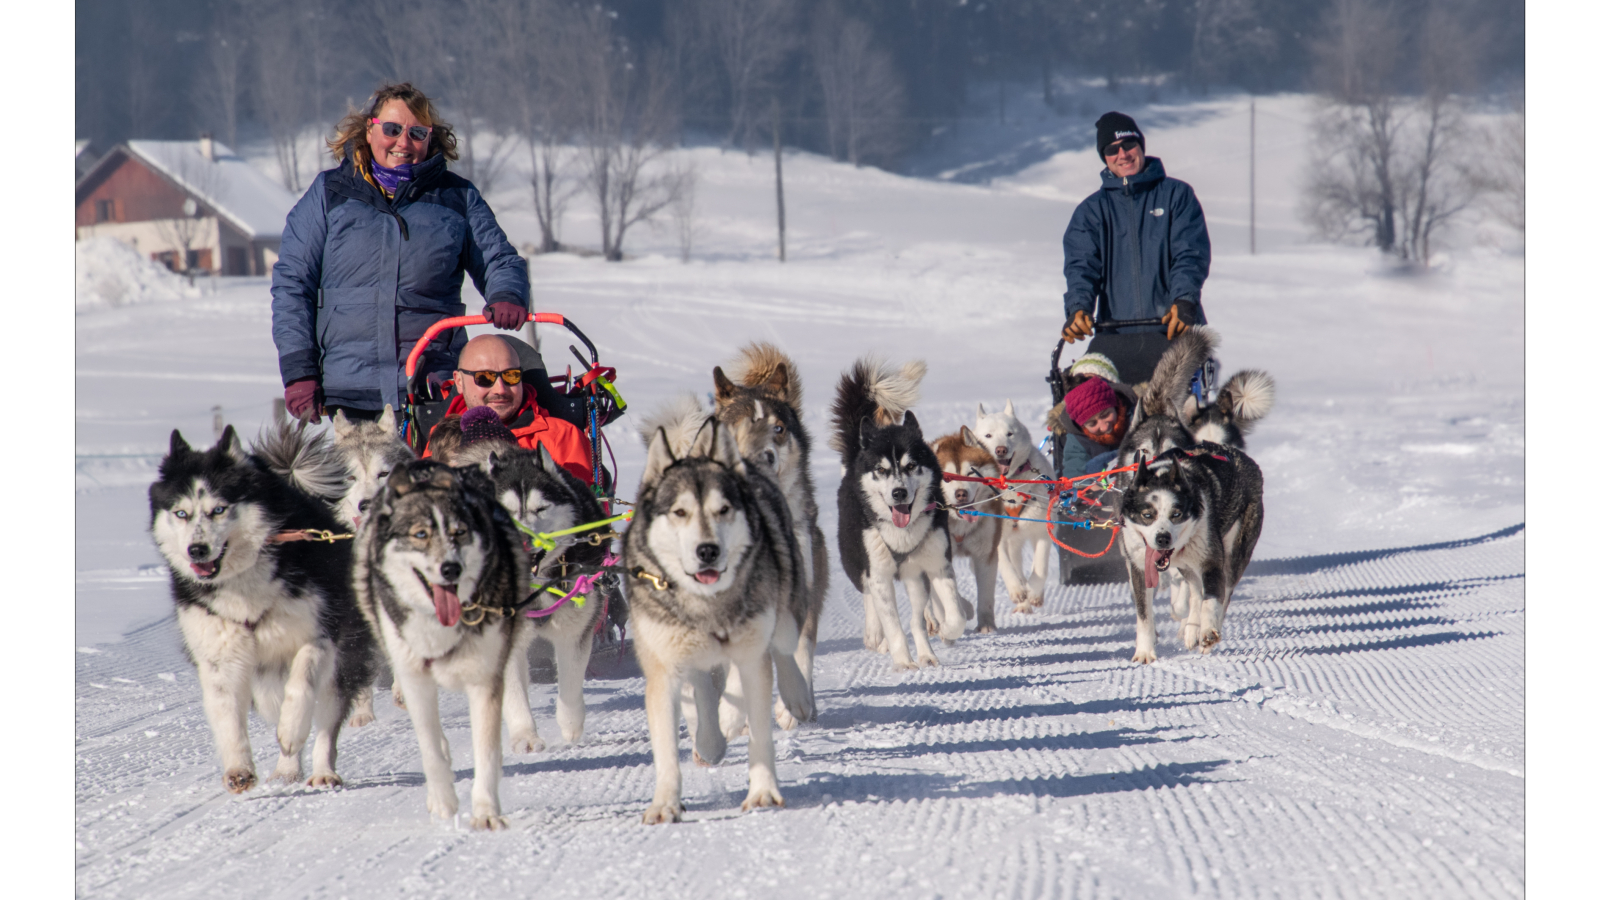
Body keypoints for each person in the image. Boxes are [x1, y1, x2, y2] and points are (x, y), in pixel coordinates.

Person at [271, 82, 530, 424]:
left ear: (430, 137)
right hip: (350, 390)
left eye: (417, 133)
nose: (403, 143)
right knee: (367, 478)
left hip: (433, 387)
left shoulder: (456, 197)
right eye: (392, 129)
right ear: (370, 129)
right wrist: (299, 371)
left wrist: (507, 293)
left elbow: (499, 259)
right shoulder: (328, 194)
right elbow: (292, 284)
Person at [1060, 111, 1212, 386]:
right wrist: (1078, 308)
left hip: (1173, 333)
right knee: (1089, 409)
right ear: (1104, 157)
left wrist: (1184, 301)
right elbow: (1081, 267)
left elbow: (1189, 255)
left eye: (1128, 145)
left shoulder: (1177, 196)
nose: (1123, 154)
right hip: (1115, 339)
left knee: (1179, 420)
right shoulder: (1091, 212)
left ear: (1141, 146)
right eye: (1112, 149)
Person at [421, 334, 593, 483]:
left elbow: (582, 509)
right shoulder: (444, 436)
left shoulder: (562, 437)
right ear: (459, 381)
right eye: (485, 378)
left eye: (511, 376)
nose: (501, 389)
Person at [1047, 354, 1138, 480]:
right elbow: (1074, 477)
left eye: (1106, 415)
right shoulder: (1077, 438)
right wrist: (1089, 488)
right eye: (1092, 423)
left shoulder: (1138, 416)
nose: (1104, 426)